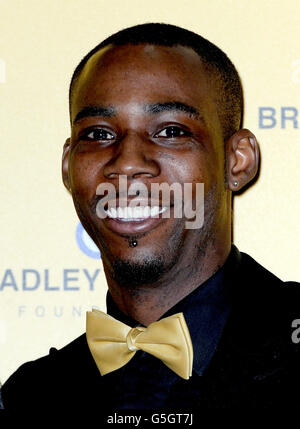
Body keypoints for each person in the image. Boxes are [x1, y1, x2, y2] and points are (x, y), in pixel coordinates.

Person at [1, 23, 299, 411]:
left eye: (171, 131)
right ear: (67, 164)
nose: (126, 163)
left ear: (237, 160)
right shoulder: (32, 398)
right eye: (98, 134)